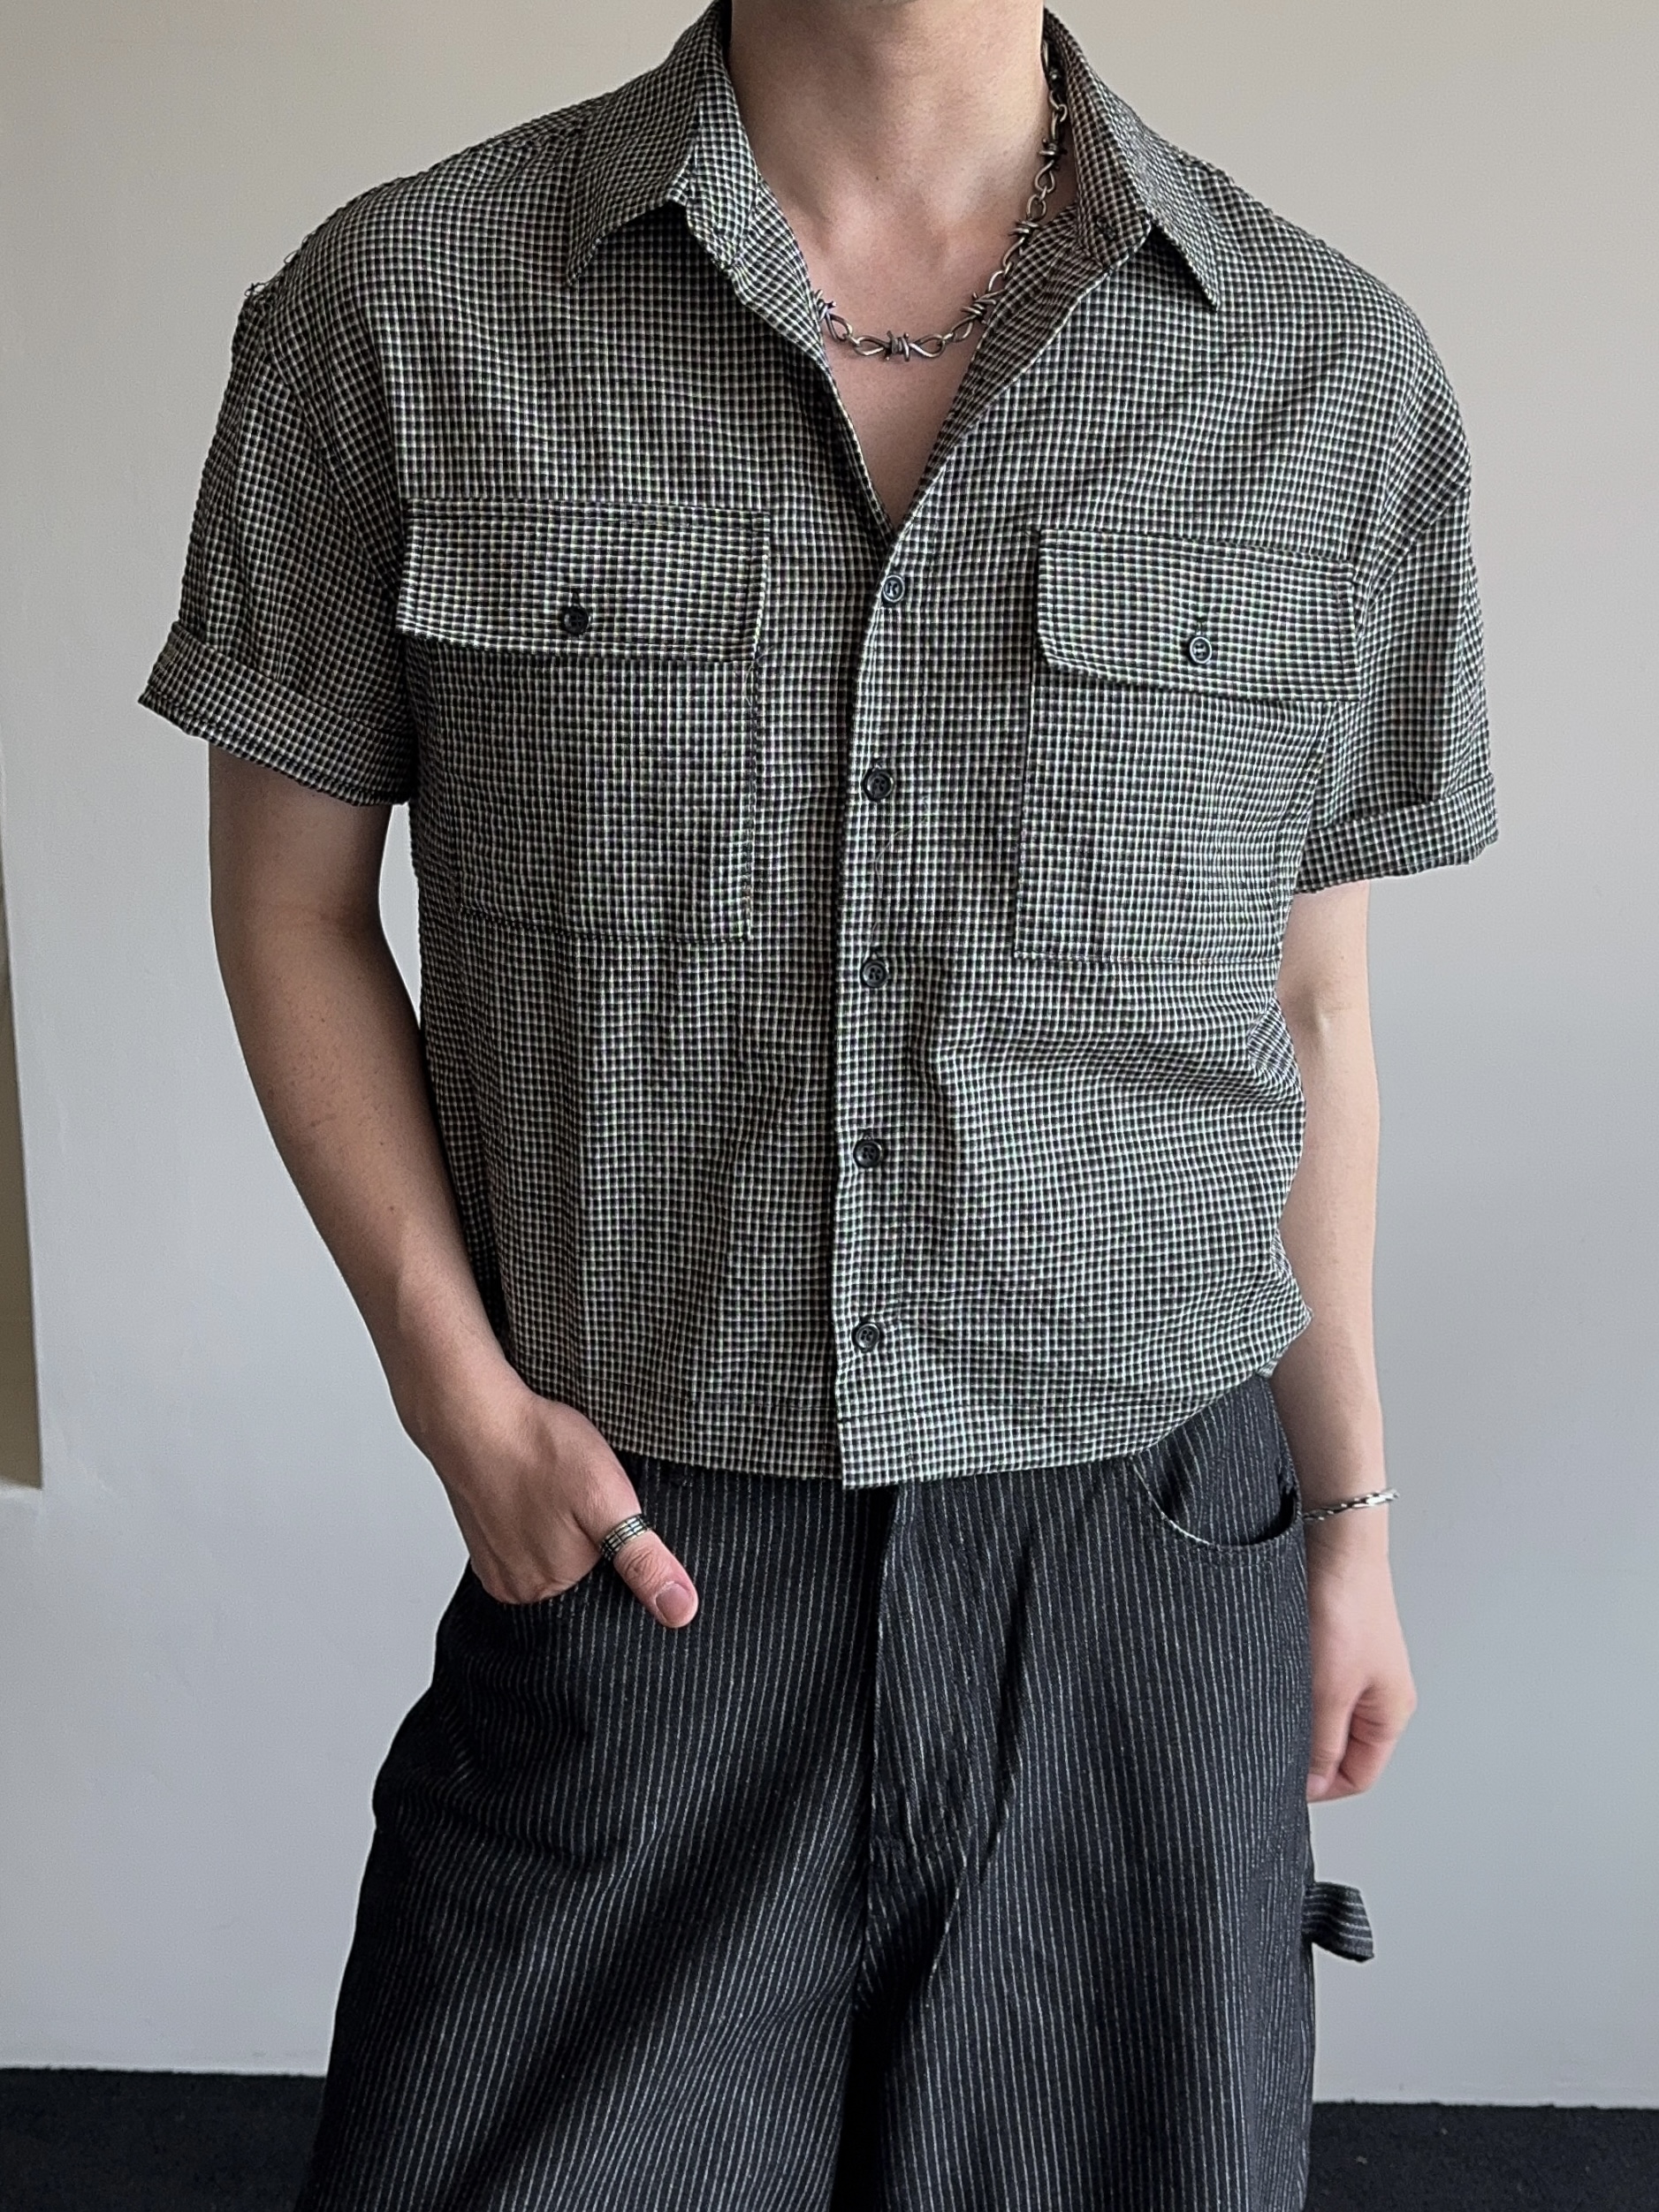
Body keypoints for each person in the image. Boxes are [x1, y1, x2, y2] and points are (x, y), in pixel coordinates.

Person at [141, 0, 1496, 2202]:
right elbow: (292, 905)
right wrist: (456, 1398)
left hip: (1141, 1565)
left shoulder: (1327, 371)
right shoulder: (403, 307)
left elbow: (1307, 1005)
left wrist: (1348, 1528)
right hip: (643, 1549)